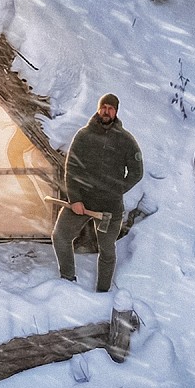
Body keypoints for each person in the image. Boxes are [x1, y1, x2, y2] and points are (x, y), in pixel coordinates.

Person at [52, 93, 143, 292]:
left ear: (116, 112)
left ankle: (102, 293)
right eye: (104, 107)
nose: (106, 111)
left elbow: (137, 172)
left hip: (110, 208)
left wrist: (117, 190)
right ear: (98, 108)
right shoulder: (83, 136)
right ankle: (67, 281)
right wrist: (75, 199)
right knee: (60, 237)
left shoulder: (125, 140)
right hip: (82, 201)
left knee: (107, 250)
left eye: (111, 108)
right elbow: (72, 169)